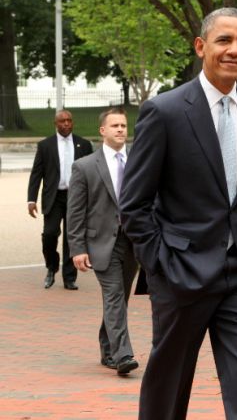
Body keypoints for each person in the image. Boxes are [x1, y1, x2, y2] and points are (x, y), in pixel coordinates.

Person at [119, 8, 237, 419]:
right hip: (181, 273)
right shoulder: (165, 111)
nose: (234, 50)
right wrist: (161, 263)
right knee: (168, 390)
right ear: (201, 46)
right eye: (224, 40)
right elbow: (134, 203)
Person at [66, 107, 140, 375]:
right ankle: (123, 356)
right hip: (100, 244)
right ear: (102, 131)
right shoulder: (84, 166)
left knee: (119, 299)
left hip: (132, 243)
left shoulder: (138, 161)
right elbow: (75, 212)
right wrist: (77, 248)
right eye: (115, 126)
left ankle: (108, 348)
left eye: (123, 125)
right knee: (114, 296)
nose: (121, 129)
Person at [27, 109, 93, 290]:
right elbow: (36, 174)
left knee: (72, 239)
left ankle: (69, 277)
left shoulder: (84, 144)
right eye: (62, 121)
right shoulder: (45, 145)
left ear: (73, 122)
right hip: (54, 198)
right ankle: (51, 266)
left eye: (69, 121)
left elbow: (91, 173)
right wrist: (31, 199)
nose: (66, 124)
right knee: (49, 234)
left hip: (76, 198)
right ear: (55, 124)